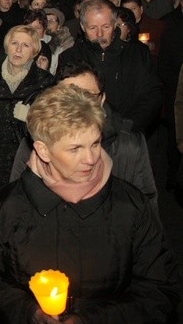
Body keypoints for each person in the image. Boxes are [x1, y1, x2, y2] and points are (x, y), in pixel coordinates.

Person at [0, 84, 180, 324]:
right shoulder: (9, 205)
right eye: (75, 148)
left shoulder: (131, 205)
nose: (91, 159)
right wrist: (26, 315)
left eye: (96, 143)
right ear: (43, 150)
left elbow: (161, 289)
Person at [10, 61, 158, 212]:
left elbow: (146, 204)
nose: (77, 105)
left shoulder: (129, 145)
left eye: (87, 95)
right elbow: (16, 204)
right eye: (67, 96)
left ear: (101, 99)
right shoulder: (34, 144)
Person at [58, 0, 161, 134]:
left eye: (105, 27)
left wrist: (129, 127)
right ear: (83, 27)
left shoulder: (137, 53)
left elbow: (152, 95)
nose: (99, 34)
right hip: (85, 135)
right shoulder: (70, 57)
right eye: (93, 28)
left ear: (114, 25)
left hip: (130, 135)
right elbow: (64, 100)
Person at [0, 25, 56, 194]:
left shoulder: (45, 83)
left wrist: (31, 118)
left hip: (31, 164)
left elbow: (56, 129)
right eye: (14, 43)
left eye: (26, 45)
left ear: (34, 52)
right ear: (7, 47)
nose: (18, 49)